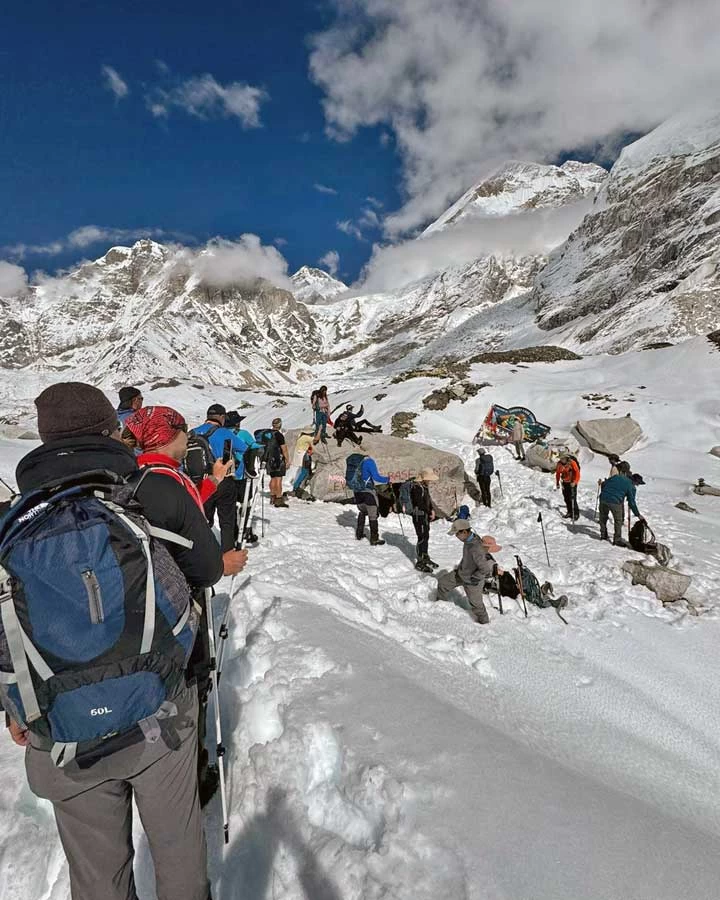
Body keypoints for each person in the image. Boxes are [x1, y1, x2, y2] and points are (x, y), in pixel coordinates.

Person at [7, 382, 222, 900]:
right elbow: (208, 568)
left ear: (43, 438)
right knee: (178, 854)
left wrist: (15, 704)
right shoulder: (147, 490)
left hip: (61, 728)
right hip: (160, 712)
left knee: (98, 877)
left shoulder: (16, 519)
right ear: (111, 429)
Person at [122, 404, 247, 809]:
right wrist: (223, 564)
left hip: (138, 606)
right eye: (182, 432)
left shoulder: (133, 475)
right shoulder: (169, 482)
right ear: (170, 436)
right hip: (178, 608)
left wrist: (210, 483)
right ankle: (193, 772)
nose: (188, 438)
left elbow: (171, 526)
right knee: (190, 685)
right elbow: (202, 560)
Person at [193, 403, 254, 551]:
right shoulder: (224, 433)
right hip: (222, 480)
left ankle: (202, 551)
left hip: (199, 483)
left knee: (202, 519)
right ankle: (227, 553)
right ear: (221, 417)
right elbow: (245, 448)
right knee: (227, 520)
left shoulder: (192, 432)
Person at [436, 525, 503, 625]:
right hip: (461, 574)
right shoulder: (469, 539)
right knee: (443, 583)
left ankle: (485, 624)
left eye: (457, 533)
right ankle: (440, 608)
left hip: (473, 582)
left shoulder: (476, 549)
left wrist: (475, 578)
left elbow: (484, 569)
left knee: (477, 606)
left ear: (464, 532)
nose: (456, 536)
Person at [225, 410, 263, 544]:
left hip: (226, 476)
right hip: (242, 475)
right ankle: (246, 530)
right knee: (246, 503)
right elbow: (254, 446)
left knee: (230, 506)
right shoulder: (243, 434)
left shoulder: (222, 434)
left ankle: (233, 532)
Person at [599, 469, 644, 546]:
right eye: (638, 484)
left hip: (603, 498)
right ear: (635, 481)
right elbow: (632, 502)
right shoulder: (631, 486)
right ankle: (617, 540)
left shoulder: (617, 477)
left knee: (603, 518)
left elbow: (604, 484)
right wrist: (638, 514)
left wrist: (605, 493)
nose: (637, 485)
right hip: (615, 502)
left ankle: (603, 535)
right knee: (618, 521)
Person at [353, 455, 390, 545]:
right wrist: (388, 479)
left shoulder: (357, 462)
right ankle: (374, 539)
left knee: (362, 511)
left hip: (357, 492)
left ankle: (359, 534)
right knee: (373, 515)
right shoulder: (369, 462)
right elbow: (376, 477)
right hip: (368, 493)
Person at [410, 468, 439, 572]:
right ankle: (420, 560)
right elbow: (419, 503)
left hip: (424, 515)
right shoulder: (416, 488)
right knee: (421, 537)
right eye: (428, 479)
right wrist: (428, 510)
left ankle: (425, 556)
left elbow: (427, 500)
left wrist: (431, 510)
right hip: (419, 515)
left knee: (426, 535)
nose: (430, 481)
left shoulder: (424, 487)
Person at [268, 417, 290, 507]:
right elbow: (284, 449)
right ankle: (279, 499)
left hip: (270, 459)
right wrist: (287, 459)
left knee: (273, 478)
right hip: (278, 459)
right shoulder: (279, 435)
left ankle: (272, 497)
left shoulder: (268, 434)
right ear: (280, 425)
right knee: (278, 479)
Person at [555, 453, 580, 520]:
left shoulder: (572, 463)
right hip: (564, 482)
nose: (561, 459)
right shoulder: (559, 464)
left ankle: (576, 513)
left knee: (572, 498)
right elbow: (557, 473)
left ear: (566, 458)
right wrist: (557, 483)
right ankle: (569, 512)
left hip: (572, 483)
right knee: (566, 498)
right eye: (560, 458)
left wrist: (575, 482)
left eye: (563, 458)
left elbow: (577, 473)